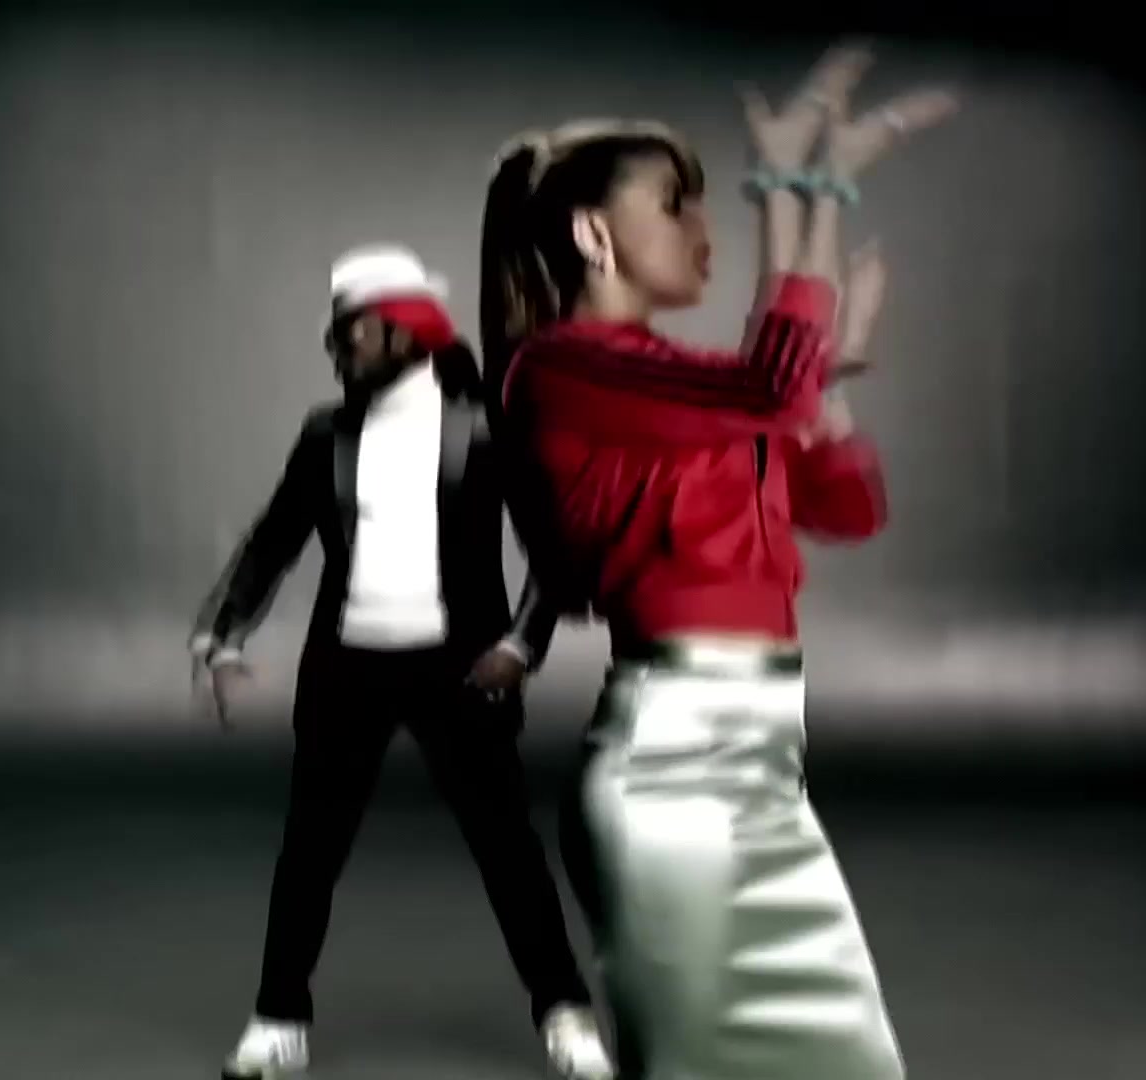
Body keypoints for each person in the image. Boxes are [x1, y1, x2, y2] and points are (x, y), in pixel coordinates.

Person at [476, 43, 957, 1079]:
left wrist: (830, 378)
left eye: (710, 205)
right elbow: (771, 386)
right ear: (592, 234)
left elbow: (846, 506)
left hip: (766, 766)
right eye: (677, 206)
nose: (706, 232)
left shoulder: (687, 385)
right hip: (670, 779)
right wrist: (800, 189)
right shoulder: (558, 370)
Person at [189, 244, 613, 1080]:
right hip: (346, 670)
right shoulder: (326, 435)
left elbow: (555, 553)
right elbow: (273, 542)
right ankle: (278, 1018)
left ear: (404, 330)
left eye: (350, 331)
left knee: (507, 850)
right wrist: (222, 636)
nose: (336, 348)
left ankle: (564, 1011)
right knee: (310, 850)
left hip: (460, 671)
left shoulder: (486, 430)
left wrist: (518, 646)